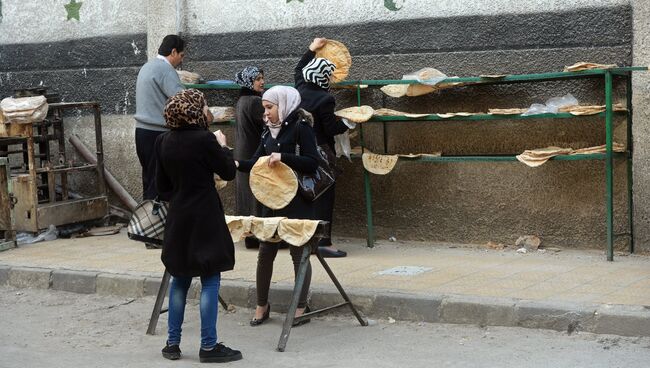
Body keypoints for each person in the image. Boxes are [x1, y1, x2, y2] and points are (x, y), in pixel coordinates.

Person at [155, 89, 242, 363]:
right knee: (210, 278)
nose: (207, 111)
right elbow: (228, 171)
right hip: (204, 215)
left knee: (179, 278)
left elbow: (162, 187)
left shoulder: (163, 140)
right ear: (195, 110)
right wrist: (223, 145)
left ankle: (172, 344)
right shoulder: (205, 139)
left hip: (179, 216)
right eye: (203, 107)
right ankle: (208, 346)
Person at [235, 86, 319, 327]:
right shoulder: (267, 133)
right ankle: (262, 305)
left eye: (270, 108)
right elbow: (256, 161)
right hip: (270, 202)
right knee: (265, 253)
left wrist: (284, 158)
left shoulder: (301, 128)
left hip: (296, 203)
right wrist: (236, 163)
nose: (266, 113)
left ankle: (301, 306)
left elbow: (312, 163)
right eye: (264, 108)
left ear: (284, 105)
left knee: (298, 254)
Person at [295, 37, 355, 258]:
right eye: (329, 76)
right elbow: (330, 128)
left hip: (302, 150)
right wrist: (350, 122)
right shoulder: (324, 100)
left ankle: (308, 240)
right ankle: (324, 243)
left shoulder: (299, 88)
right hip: (322, 152)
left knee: (308, 193)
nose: (331, 80)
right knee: (325, 195)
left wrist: (312, 48)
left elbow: (299, 69)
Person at [135, 34, 185, 201]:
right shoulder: (166, 70)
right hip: (158, 133)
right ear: (173, 52)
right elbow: (182, 101)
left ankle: (147, 223)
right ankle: (159, 224)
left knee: (149, 180)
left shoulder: (146, 67)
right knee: (160, 185)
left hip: (141, 132)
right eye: (181, 55)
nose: (181, 60)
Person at [233, 66, 265, 249]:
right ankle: (256, 236)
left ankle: (249, 235)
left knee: (246, 193)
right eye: (257, 79)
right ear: (248, 82)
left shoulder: (242, 100)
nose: (262, 82)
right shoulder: (254, 102)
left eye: (262, 77)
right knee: (255, 193)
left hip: (242, 151)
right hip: (252, 152)